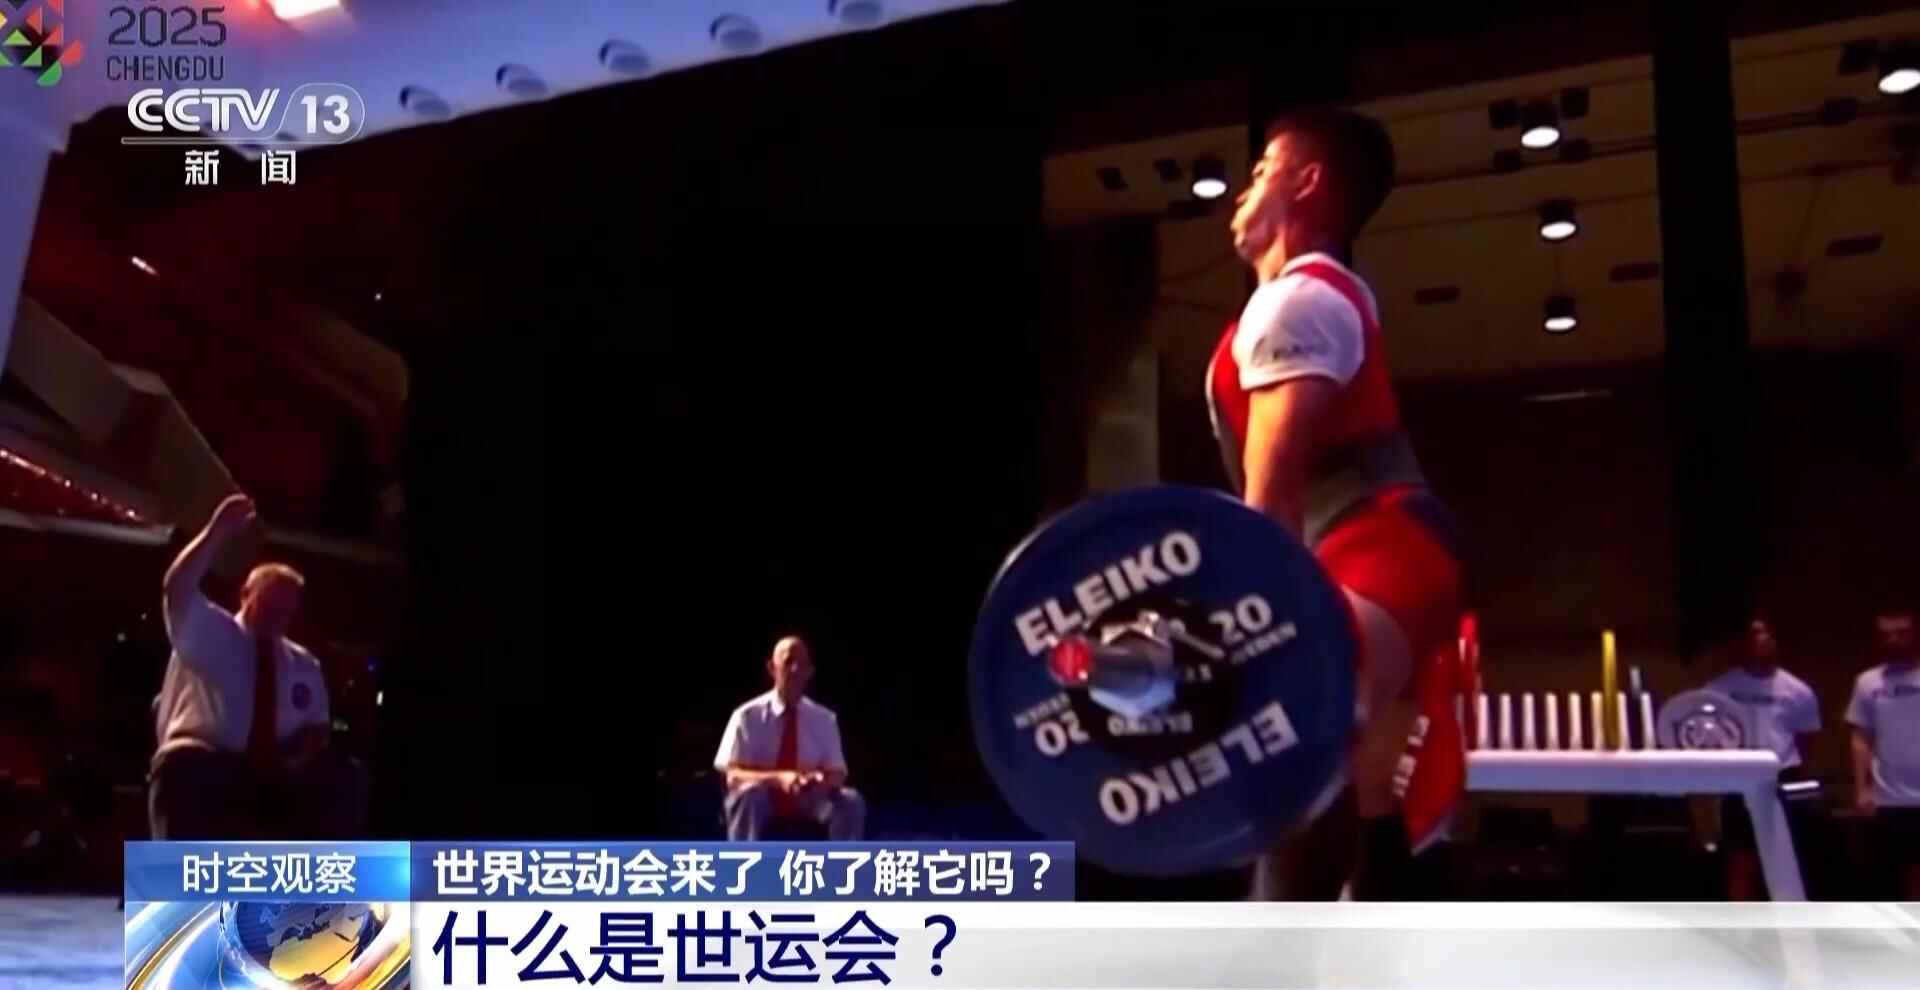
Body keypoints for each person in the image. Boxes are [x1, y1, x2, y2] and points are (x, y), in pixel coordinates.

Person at [1207, 108, 1466, 899]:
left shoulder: (1299, 303)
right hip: (1364, 550)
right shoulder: (1314, 299)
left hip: (1380, 546)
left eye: (1262, 170)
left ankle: (1278, 950)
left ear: (1308, 182)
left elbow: (1273, 496)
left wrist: (1250, 624)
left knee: (1292, 740)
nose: (1244, 189)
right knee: (1362, 795)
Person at [147, 493, 367, 840]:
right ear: (245, 595)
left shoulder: (302, 664)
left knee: (345, 775)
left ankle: (328, 870)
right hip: (204, 761)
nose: (276, 617)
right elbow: (177, 588)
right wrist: (217, 532)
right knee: (188, 770)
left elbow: (317, 726)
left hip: (271, 776)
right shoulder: (210, 631)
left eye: (285, 611)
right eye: (269, 605)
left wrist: (301, 756)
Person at [1703, 616, 1821, 899]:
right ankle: (1741, 921)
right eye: (1751, 635)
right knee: (1740, 858)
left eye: (1763, 634)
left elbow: (1806, 739)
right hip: (1738, 779)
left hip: (1782, 778)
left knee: (1786, 857)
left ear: (1774, 640)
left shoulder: (1798, 691)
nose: (1758, 640)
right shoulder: (1719, 688)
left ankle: (1786, 919)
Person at [713, 636, 865, 840]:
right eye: (788, 662)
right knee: (749, 795)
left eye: (802, 665)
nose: (795, 670)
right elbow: (733, 777)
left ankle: (843, 860)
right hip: (763, 798)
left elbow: (837, 773)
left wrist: (818, 780)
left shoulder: (824, 719)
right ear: (772, 668)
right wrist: (779, 779)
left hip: (808, 799)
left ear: (810, 672)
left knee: (850, 801)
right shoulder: (747, 717)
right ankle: (744, 859)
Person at [1846, 607, 1920, 900]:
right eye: (1886, 635)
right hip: (1887, 797)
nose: (1894, 641)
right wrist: (1861, 788)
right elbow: (1860, 737)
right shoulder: (1867, 682)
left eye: (1901, 634)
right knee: (1887, 882)